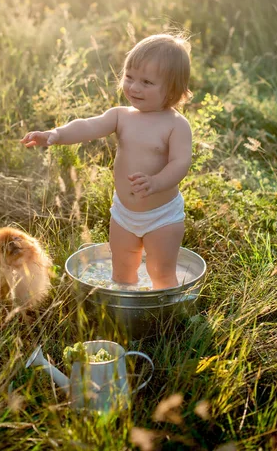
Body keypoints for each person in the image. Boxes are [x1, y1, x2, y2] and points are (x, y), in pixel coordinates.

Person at [20, 34, 192, 289]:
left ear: (173, 90)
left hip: (162, 216)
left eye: (146, 82)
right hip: (123, 213)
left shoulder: (176, 125)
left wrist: (156, 182)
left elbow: (180, 162)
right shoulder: (121, 116)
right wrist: (54, 135)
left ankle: (165, 317)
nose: (134, 87)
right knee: (122, 270)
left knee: (161, 272)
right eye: (129, 77)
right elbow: (87, 126)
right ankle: (124, 309)